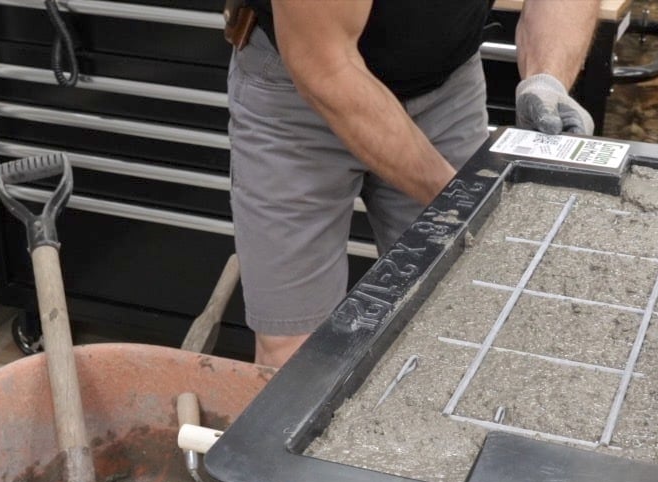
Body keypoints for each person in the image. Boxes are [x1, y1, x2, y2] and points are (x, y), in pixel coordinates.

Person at [229, 0, 601, 368]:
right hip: (304, 80)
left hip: (446, 81)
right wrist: (461, 199)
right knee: (295, 353)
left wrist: (546, 77)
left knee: (464, 311)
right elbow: (325, 68)